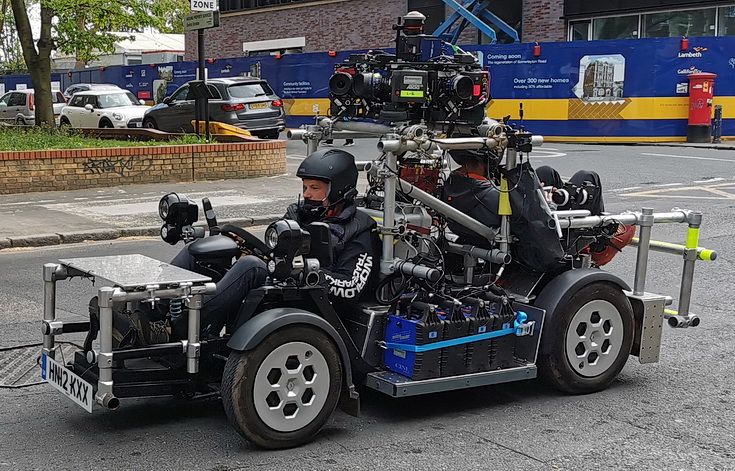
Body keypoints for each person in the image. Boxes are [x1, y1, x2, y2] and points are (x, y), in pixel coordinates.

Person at [92, 148, 380, 347]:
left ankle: (172, 332)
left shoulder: (359, 230)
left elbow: (351, 287)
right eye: (305, 187)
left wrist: (307, 270)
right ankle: (149, 314)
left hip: (314, 296)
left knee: (250, 267)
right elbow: (273, 245)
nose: (307, 194)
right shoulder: (297, 213)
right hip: (282, 277)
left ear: (338, 190)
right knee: (203, 251)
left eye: (315, 188)